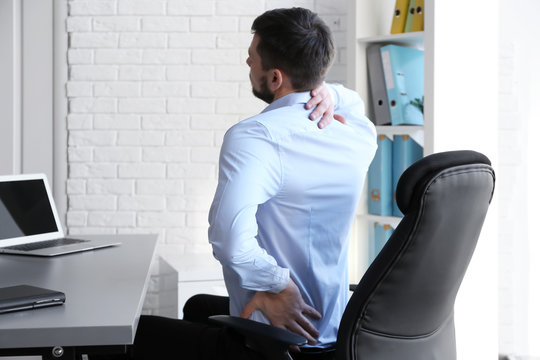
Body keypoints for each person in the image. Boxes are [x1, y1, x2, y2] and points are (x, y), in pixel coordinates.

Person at [131, 7, 377, 360]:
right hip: (334, 329)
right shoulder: (358, 135)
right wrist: (332, 94)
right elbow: (355, 103)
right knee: (197, 306)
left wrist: (279, 286)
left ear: (275, 78)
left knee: (130, 335)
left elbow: (230, 242)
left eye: (251, 60)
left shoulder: (256, 137)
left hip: (274, 340)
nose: (248, 66)